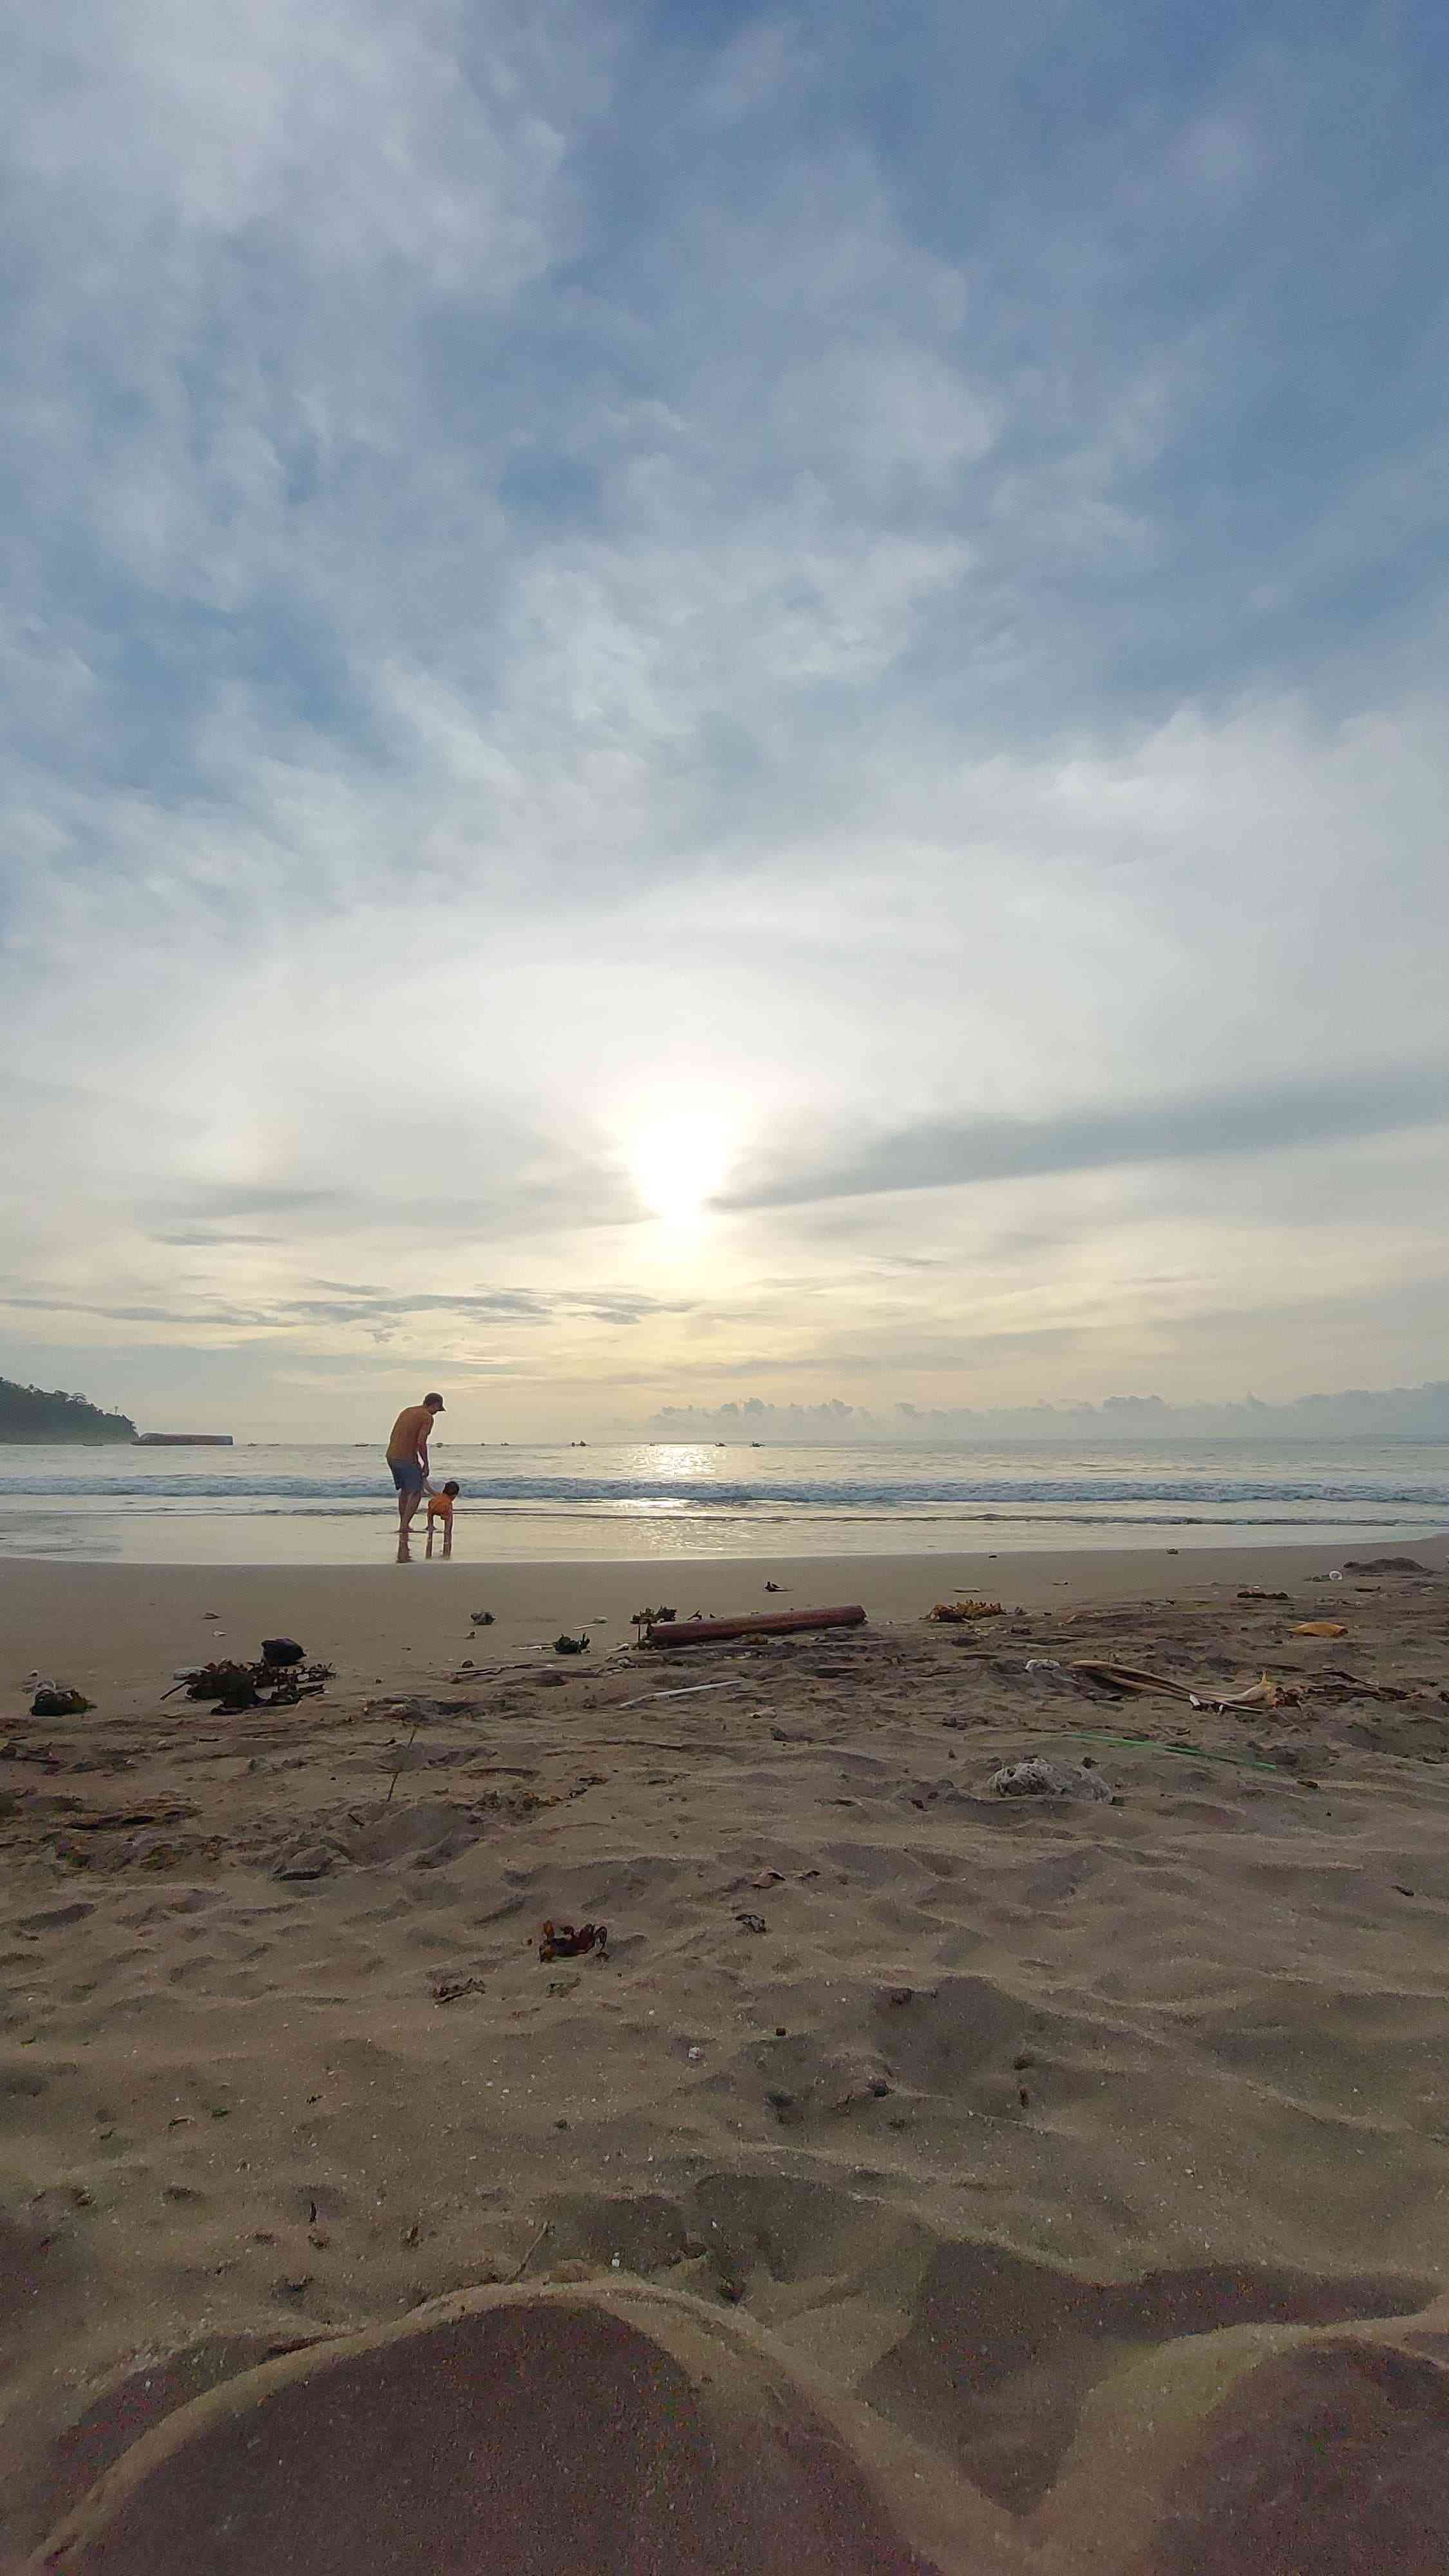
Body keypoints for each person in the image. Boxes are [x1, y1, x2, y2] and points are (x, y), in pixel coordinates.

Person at [386, 1393, 444, 1558]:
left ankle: (403, 1524)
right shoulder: (427, 1417)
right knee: (417, 1492)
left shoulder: (407, 1411)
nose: (436, 1413)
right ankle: (404, 1526)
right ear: (434, 1405)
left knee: (405, 1491)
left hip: (392, 1455)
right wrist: (426, 1463)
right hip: (405, 1457)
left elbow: (396, 1435)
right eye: (437, 1410)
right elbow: (421, 1442)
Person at [425, 1479, 460, 1559]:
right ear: (454, 1496)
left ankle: (430, 1525)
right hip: (444, 1508)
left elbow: (430, 1490)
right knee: (449, 1516)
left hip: (433, 1505)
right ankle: (447, 1530)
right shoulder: (449, 1502)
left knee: (430, 1513)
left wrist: (424, 1481)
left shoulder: (438, 1495)